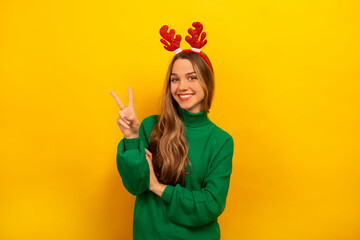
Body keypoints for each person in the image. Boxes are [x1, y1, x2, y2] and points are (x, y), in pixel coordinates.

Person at [110, 22, 234, 240]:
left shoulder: (221, 141)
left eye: (192, 77)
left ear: (207, 81)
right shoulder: (150, 127)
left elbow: (211, 204)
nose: (181, 86)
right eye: (174, 79)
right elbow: (135, 185)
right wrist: (131, 138)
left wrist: (157, 187)